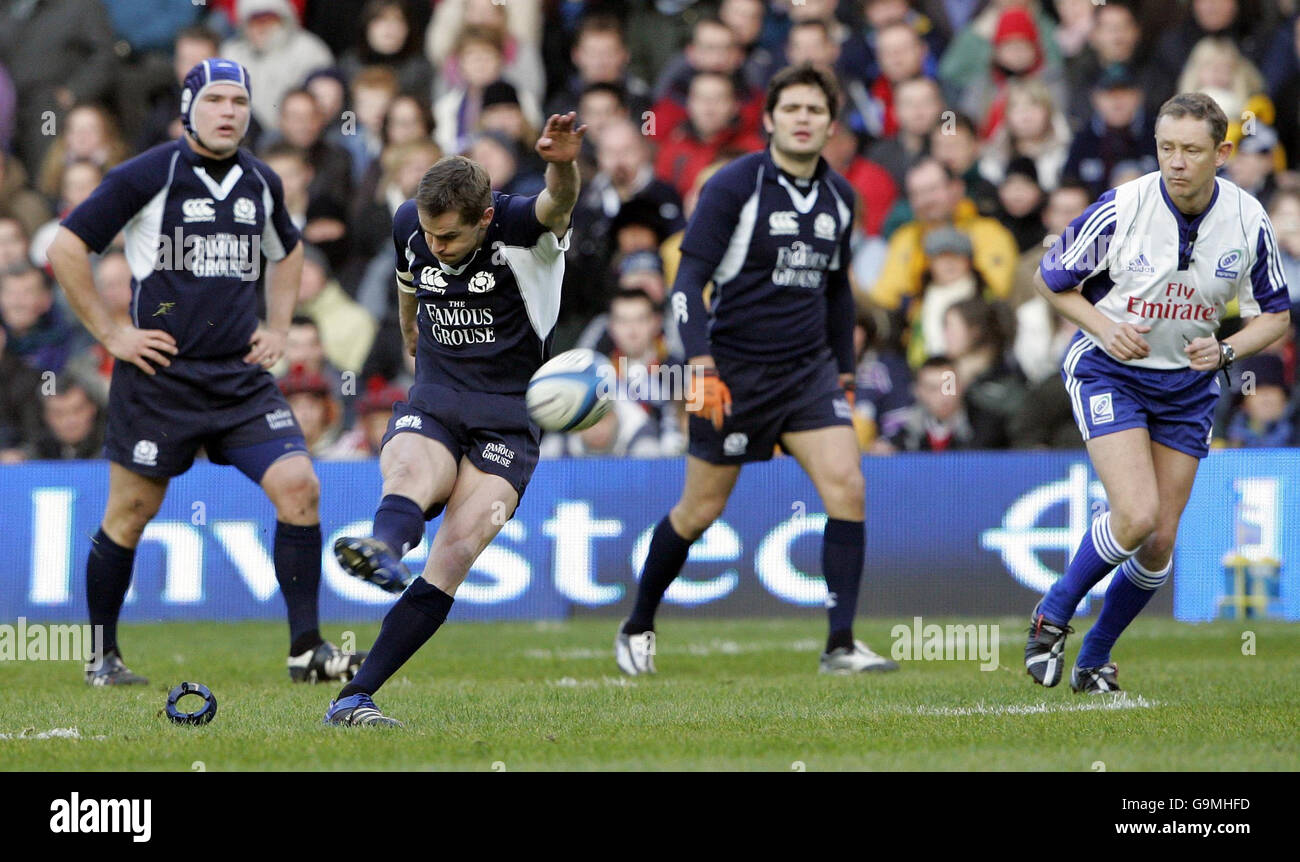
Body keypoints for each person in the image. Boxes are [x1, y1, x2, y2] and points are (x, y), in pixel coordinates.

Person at [46, 59, 363, 687]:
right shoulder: (147, 174)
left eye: (239, 101)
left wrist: (277, 324)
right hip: (160, 379)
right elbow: (65, 246)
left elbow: (290, 249)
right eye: (214, 99)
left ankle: (308, 652)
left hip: (239, 379)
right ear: (189, 109)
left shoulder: (262, 181)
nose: (228, 112)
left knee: (300, 487)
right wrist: (111, 334)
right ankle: (102, 658)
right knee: (131, 513)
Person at [616, 64, 899, 677]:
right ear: (769, 119)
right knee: (698, 511)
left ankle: (841, 644)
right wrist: (701, 366)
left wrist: (845, 373)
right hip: (733, 374)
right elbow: (687, 281)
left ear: (831, 125)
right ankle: (637, 623)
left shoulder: (841, 198)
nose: (803, 119)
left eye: (815, 111)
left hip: (809, 375)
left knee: (848, 486)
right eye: (791, 108)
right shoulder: (733, 186)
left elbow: (838, 293)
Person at [324, 113, 586, 727]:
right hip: (437, 396)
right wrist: (410, 325)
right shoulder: (411, 226)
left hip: (508, 418)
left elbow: (559, 201)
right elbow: (409, 276)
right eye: (428, 232)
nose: (436, 244)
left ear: (484, 218)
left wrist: (563, 161)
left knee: (457, 551)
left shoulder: (523, 228)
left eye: (450, 237)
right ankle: (383, 548)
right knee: (410, 469)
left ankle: (352, 698)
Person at [1026, 93, 1291, 694]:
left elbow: (1275, 316)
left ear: (1222, 153)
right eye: (1166, 147)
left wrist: (1226, 352)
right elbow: (1051, 279)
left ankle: (1095, 659)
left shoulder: (1249, 220)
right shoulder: (1123, 206)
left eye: (1191, 150)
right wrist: (1106, 328)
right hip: (1109, 371)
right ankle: (1053, 612)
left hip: (1188, 386)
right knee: (1137, 515)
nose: (1176, 161)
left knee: (1160, 541)